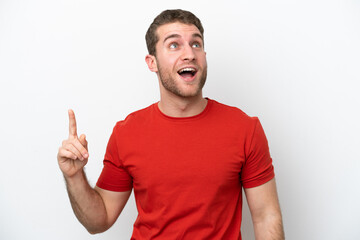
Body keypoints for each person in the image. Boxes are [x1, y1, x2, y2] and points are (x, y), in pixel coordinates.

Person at [57, 9, 284, 240]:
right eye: (174, 45)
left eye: (196, 44)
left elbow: (266, 216)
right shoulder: (127, 133)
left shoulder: (245, 129)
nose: (189, 54)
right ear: (152, 62)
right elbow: (99, 221)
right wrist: (75, 177)